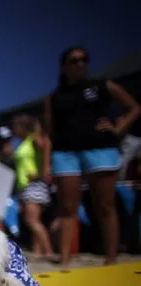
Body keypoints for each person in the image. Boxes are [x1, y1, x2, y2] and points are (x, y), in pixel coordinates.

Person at [44, 47, 140, 267]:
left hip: (100, 149)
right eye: (74, 60)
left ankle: (111, 259)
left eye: (84, 60)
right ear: (64, 65)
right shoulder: (54, 97)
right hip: (66, 152)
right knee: (67, 208)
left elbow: (134, 108)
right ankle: (65, 260)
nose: (80, 64)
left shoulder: (102, 85)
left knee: (104, 205)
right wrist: (48, 162)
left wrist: (119, 127)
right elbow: (49, 131)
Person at [12, 115, 55, 261]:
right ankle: (38, 251)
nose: (14, 130)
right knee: (34, 220)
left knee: (32, 221)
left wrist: (42, 173)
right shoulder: (24, 142)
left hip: (34, 185)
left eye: (16, 127)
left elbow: (46, 149)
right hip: (26, 186)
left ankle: (48, 251)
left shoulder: (34, 138)